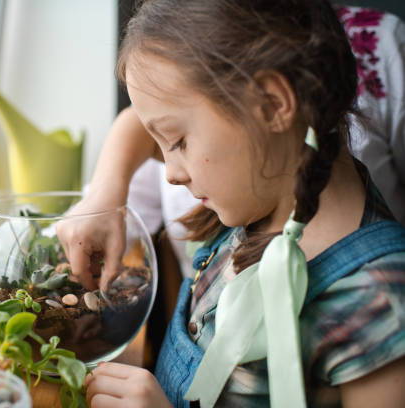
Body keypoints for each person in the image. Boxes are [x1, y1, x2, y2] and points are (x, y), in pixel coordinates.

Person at [55, 1, 405, 407]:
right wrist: (105, 195)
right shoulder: (259, 190)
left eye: (180, 142)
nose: (171, 172)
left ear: (272, 105)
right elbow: (143, 119)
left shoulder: (380, 305)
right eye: (166, 144)